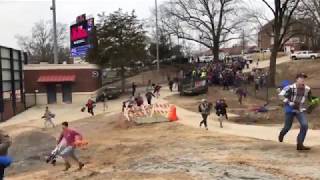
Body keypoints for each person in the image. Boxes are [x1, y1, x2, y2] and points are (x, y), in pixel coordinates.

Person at [278, 73, 312, 151]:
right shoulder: (289, 87)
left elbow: (311, 99)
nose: (303, 79)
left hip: (299, 109)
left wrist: (313, 104)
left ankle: (300, 144)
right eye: (301, 78)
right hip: (290, 108)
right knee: (287, 127)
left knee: (304, 125)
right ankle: (282, 133)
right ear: (297, 79)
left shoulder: (307, 89)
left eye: (304, 78)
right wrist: (289, 102)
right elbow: (280, 95)